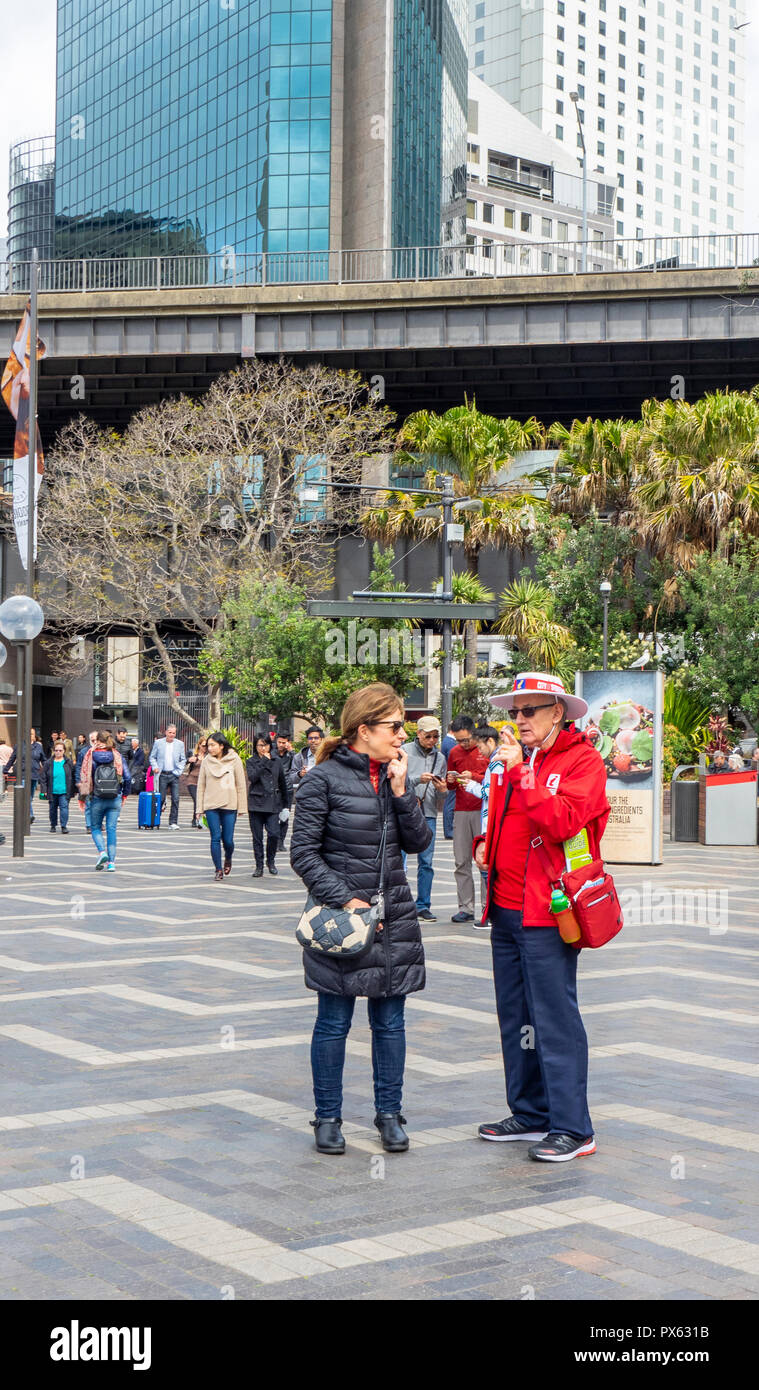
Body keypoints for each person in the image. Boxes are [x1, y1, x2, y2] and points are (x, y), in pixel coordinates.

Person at [290, 683, 432, 1156]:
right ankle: (327, 1117)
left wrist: (401, 792)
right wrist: (345, 899)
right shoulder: (322, 780)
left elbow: (418, 842)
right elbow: (303, 854)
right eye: (394, 727)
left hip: (394, 920)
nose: (401, 735)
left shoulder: (396, 776)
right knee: (333, 1022)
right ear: (363, 729)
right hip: (345, 924)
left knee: (391, 1022)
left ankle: (389, 1113)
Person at [473, 672, 609, 1163]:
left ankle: (574, 1126)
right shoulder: (515, 762)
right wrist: (483, 843)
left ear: (558, 711)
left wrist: (522, 777)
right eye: (515, 712)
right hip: (506, 907)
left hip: (550, 912)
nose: (519, 720)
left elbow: (563, 822)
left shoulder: (583, 760)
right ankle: (530, 1113)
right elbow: (502, 818)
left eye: (529, 710)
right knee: (517, 1017)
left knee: (553, 1017)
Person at [457, 724, 505, 930]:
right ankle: (491, 914)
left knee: (489, 871)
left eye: (481, 746)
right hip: (489, 820)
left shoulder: (497, 763)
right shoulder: (496, 761)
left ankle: (492, 914)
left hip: (492, 822)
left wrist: (471, 786)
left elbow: (493, 792)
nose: (480, 751)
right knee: (488, 871)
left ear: (491, 741)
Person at [401, 715, 448, 922]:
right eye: (428, 736)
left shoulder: (440, 758)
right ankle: (400, 904)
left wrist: (443, 790)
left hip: (428, 813)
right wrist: (416, 779)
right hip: (406, 810)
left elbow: (441, 799)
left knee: (426, 862)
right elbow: (396, 781)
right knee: (399, 860)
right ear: (418, 734)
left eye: (435, 736)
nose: (432, 740)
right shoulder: (404, 752)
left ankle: (423, 905)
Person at [445, 715, 489, 923]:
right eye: (459, 740)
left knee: (485, 861)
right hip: (461, 811)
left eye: (466, 739)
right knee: (461, 860)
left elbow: (495, 779)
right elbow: (451, 787)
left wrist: (474, 776)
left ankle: (487, 908)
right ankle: (466, 907)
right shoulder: (454, 752)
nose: (463, 744)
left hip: (483, 810)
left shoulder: (484, 750)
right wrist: (451, 780)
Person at [195, 732, 247, 881]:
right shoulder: (206, 761)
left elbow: (241, 784)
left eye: (213, 745)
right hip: (211, 804)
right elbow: (201, 786)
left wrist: (242, 807)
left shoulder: (234, 759)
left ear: (221, 745)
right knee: (215, 837)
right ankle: (218, 869)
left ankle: (228, 858)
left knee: (228, 840)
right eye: (208, 745)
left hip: (230, 803)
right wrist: (199, 809)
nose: (210, 748)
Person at [78, 731, 131, 870]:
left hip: (96, 797)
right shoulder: (117, 756)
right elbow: (128, 777)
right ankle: (112, 863)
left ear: (97, 741)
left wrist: (82, 797)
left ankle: (102, 852)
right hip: (115, 797)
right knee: (111, 830)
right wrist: (124, 795)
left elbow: (84, 777)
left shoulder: (90, 755)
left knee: (95, 827)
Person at [247, 734, 290, 876]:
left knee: (273, 834)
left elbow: (282, 783)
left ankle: (270, 861)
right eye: (260, 745)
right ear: (255, 746)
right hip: (256, 803)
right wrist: (264, 761)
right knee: (257, 837)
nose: (263, 748)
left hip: (273, 803)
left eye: (266, 745)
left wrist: (286, 805)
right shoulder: (251, 761)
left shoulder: (277, 761)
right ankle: (259, 865)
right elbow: (253, 778)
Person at [149, 724, 187, 828]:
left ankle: (173, 822)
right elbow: (152, 757)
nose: (171, 735)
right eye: (170, 732)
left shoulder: (180, 744)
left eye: (173, 733)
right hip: (162, 774)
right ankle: (155, 820)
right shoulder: (158, 743)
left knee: (175, 799)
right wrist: (155, 767)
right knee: (161, 799)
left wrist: (179, 771)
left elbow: (183, 759)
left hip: (174, 774)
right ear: (166, 732)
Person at [5, 727, 45, 822]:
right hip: (22, 774)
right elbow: (12, 758)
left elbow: (44, 759)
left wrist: (48, 769)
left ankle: (25, 813)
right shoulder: (19, 745)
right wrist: (6, 770)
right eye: (29, 733)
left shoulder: (38, 747)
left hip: (34, 774)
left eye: (32, 734)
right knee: (25, 795)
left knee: (30, 797)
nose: (31, 735)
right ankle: (30, 815)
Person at [40, 739, 77, 833]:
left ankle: (64, 826)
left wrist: (75, 789)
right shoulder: (48, 763)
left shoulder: (68, 762)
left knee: (64, 808)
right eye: (56, 750)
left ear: (64, 751)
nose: (58, 752)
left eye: (60, 750)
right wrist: (43, 790)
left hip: (65, 790)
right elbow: (43, 777)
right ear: (53, 751)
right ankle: (53, 825)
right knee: (52, 809)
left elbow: (74, 775)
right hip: (52, 790)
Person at [289, 727, 324, 800]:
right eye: (310, 738)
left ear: (322, 739)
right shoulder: (299, 757)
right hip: (305, 796)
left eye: (316, 738)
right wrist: (300, 774)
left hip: (323, 795)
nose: (313, 741)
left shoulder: (328, 756)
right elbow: (291, 778)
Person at [274, 732, 294, 850]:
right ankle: (275, 840)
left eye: (283, 742)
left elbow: (297, 765)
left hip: (287, 789)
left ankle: (281, 842)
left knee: (285, 816)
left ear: (288, 743)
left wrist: (291, 752)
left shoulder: (291, 755)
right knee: (274, 817)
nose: (281, 745)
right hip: (275, 790)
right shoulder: (272, 753)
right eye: (279, 742)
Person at [183, 737, 207, 827]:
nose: (205, 748)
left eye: (206, 746)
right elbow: (182, 763)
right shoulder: (194, 755)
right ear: (199, 745)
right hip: (192, 781)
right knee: (197, 799)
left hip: (203, 782)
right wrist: (188, 760)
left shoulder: (208, 757)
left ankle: (198, 819)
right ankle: (196, 820)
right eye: (203, 745)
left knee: (202, 801)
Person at [441, 722, 456, 840]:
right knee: (450, 804)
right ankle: (449, 830)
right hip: (450, 777)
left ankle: (449, 829)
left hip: (449, 776)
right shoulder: (450, 743)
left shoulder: (447, 741)